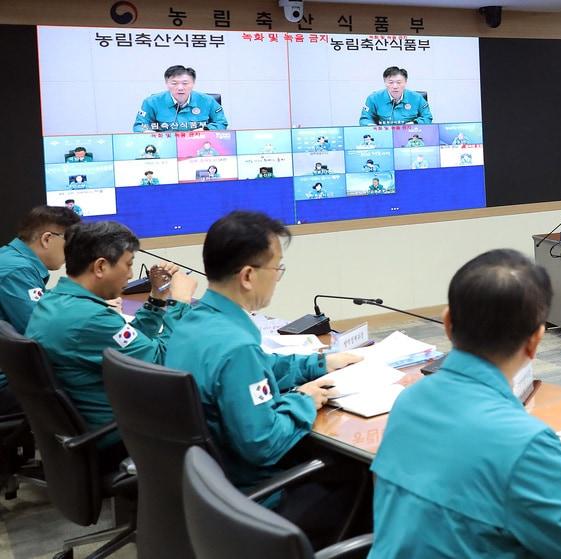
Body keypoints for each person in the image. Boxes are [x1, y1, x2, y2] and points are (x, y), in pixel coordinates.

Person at [369, 249, 561, 558]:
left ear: (447, 323)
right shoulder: (525, 445)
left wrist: (560, 477)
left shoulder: (409, 401)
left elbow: (468, 482)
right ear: (535, 341)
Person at [162, 211, 363, 542]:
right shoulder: (237, 348)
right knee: (360, 473)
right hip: (254, 504)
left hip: (205, 493)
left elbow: (259, 369)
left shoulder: (193, 323)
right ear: (247, 276)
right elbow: (263, 444)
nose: (278, 276)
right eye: (277, 268)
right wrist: (303, 400)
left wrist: (318, 364)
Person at [27, 221, 195, 448]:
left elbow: (130, 345)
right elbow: (160, 363)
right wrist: (180, 303)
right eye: (128, 264)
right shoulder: (89, 319)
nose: (131, 274)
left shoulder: (55, 301)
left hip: (84, 429)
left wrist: (157, 298)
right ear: (101, 267)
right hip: (119, 433)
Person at [0, 206, 81, 417]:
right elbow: (42, 333)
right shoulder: (17, 270)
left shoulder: (9, 257)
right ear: (47, 239)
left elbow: (41, 306)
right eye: (70, 244)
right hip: (6, 383)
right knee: (87, 384)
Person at [133, 65, 228, 132]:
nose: (180, 88)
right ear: (167, 84)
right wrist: (149, 134)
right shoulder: (151, 102)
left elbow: (221, 123)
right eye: (174, 83)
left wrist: (205, 130)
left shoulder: (207, 101)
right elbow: (140, 126)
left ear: (193, 83)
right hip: (166, 146)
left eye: (185, 83)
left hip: (199, 144)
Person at [359, 66, 432, 125]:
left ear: (405, 82)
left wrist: (414, 123)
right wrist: (371, 126)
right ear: (385, 82)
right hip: (384, 134)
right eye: (391, 82)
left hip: (410, 133)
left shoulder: (417, 98)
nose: (395, 86)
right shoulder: (373, 98)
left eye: (399, 82)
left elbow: (427, 117)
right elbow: (365, 119)